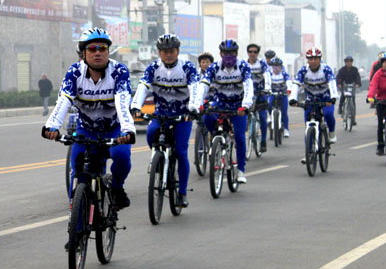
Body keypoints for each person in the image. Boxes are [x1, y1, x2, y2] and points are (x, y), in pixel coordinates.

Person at [42, 28, 135, 210]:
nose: (98, 52)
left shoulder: (119, 71)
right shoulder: (75, 72)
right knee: (78, 173)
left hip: (114, 129)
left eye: (103, 48)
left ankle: (116, 188)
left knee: (122, 157)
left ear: (108, 51)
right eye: (92, 49)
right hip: (86, 130)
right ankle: (75, 232)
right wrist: (51, 126)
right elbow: (64, 100)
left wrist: (127, 130)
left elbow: (122, 103)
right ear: (83, 53)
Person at [131, 34, 200, 207]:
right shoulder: (153, 68)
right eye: (164, 51)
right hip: (161, 114)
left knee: (181, 152)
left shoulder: (187, 67)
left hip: (182, 116)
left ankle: (182, 192)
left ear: (177, 51)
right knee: (150, 134)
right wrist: (135, 106)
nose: (168, 54)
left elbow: (195, 89)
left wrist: (193, 107)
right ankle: (159, 160)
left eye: (171, 51)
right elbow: (143, 87)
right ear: (159, 53)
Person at [198, 39, 253, 184]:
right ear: (220, 54)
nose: (228, 55)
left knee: (240, 137)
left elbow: (248, 85)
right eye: (225, 53)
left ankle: (241, 170)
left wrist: (246, 105)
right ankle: (217, 138)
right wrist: (198, 103)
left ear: (236, 53)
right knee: (207, 118)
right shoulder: (214, 67)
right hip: (220, 103)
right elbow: (204, 85)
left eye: (231, 53)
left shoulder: (243, 66)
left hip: (238, 106)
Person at [289, 47, 339, 145]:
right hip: (311, 99)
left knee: (328, 114)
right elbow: (296, 84)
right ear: (307, 60)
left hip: (326, 98)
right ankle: (309, 154)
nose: (313, 61)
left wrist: (333, 97)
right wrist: (292, 98)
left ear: (320, 59)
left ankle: (332, 133)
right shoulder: (303, 71)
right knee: (308, 125)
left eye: (316, 59)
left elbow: (332, 83)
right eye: (311, 59)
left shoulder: (326, 69)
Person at [246, 43, 271, 152]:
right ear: (248, 52)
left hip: (261, 93)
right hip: (248, 94)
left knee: (262, 117)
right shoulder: (244, 64)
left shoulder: (262, 63)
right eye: (250, 51)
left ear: (258, 53)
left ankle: (263, 141)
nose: (252, 54)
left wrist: (267, 88)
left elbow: (267, 75)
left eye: (255, 52)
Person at [268, 57, 292, 138]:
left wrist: (289, 89)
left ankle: (286, 129)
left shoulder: (284, 73)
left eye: (278, 65)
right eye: (274, 65)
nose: (276, 67)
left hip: (283, 94)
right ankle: (270, 118)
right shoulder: (270, 74)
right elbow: (267, 82)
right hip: (273, 94)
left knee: (284, 111)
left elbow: (288, 81)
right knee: (269, 104)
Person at [336, 55, 362, 124]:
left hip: (352, 86)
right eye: (347, 62)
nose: (349, 63)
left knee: (352, 101)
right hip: (344, 86)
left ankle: (353, 119)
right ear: (345, 62)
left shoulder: (355, 69)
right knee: (343, 96)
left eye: (350, 62)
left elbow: (357, 77)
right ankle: (340, 108)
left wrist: (358, 83)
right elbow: (338, 77)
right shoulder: (342, 70)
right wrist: (338, 83)